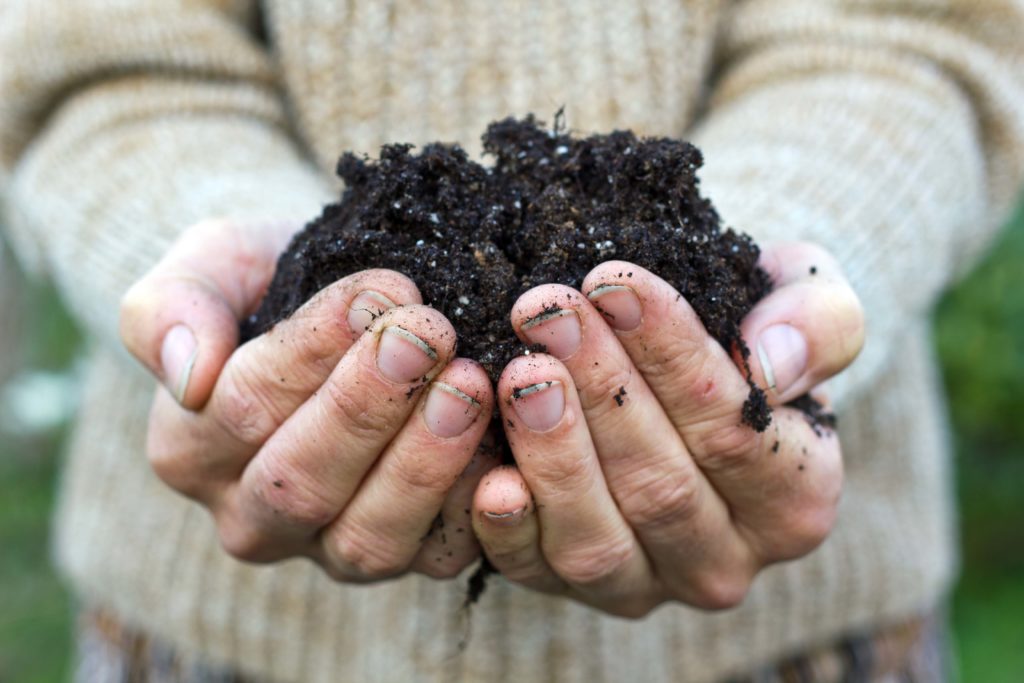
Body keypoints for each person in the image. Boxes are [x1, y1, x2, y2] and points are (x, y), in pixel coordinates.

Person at [1, 1, 1022, 681]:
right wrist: (233, 298)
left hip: (803, 640)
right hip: (209, 636)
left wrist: (769, 286)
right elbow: (98, 57)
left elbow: (907, 33)